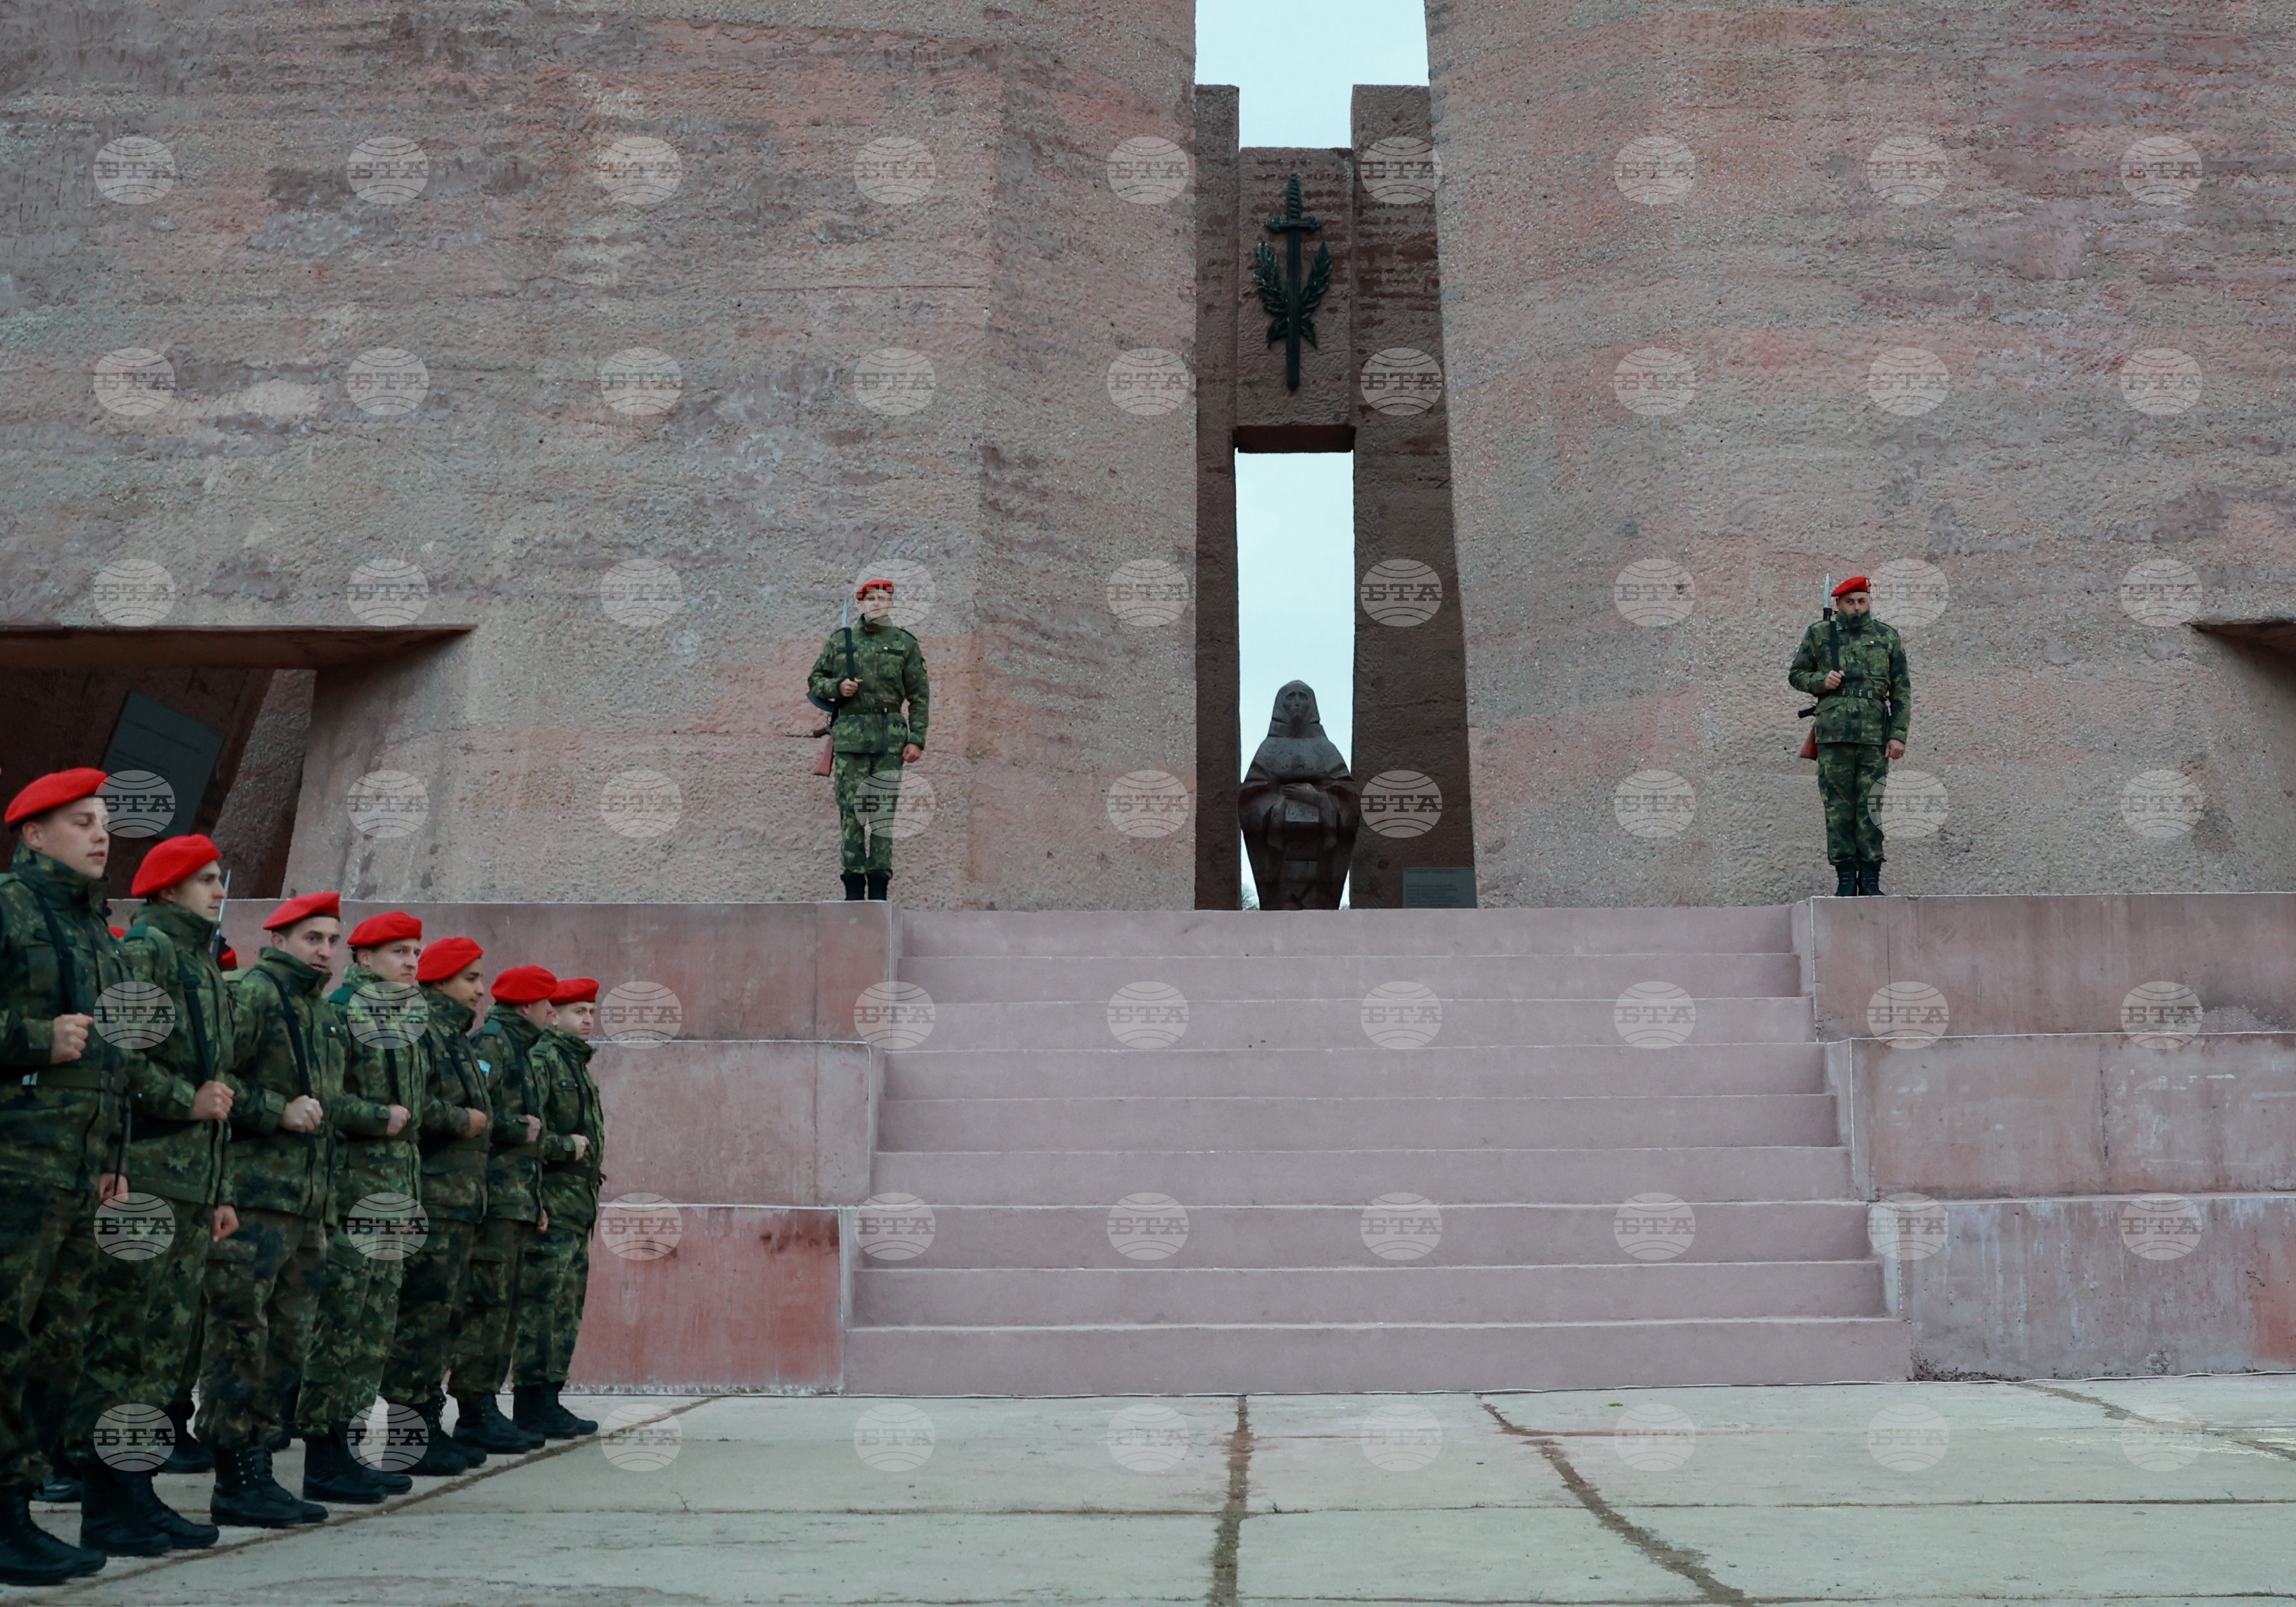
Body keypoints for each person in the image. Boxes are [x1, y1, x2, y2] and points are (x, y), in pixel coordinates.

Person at [63, 834, 240, 1556]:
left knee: (162, 1357)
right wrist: (183, 1101)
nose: (218, 891)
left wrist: (220, 1187)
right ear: (168, 891)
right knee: (123, 1349)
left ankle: (136, 1494)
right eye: (203, 881)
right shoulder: (149, 954)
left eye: (218, 880)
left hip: (191, 1186)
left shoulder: (197, 960)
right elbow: (116, 1058)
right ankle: (106, 1506)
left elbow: (216, 1091)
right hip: (148, 1178)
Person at [0, 770, 134, 1584]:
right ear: (33, 835)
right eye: (81, 821)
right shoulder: (8, 907)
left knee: (53, 1351)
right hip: (12, 1169)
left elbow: (110, 1063)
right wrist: (29, 1037)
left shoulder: (94, 931)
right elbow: (53, 1041)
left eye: (106, 823)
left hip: (75, 1175)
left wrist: (113, 1156)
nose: (101, 835)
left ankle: (17, 1509)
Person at [196, 890, 346, 1528]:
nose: (325, 951)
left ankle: (257, 1461)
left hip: (304, 1203)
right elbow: (216, 1082)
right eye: (313, 938)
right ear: (279, 939)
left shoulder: (317, 1013)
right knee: (240, 1335)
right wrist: (274, 1110)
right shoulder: (255, 995)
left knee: (285, 1339)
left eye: (333, 939)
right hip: (254, 1198)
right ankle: (234, 1473)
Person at [297, 911, 430, 1505]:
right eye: (398, 951)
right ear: (364, 958)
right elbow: (325, 1097)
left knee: (374, 1325)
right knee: (341, 1322)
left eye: (415, 952)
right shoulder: (342, 1013)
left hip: (394, 1194)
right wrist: (378, 1116)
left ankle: (350, 1445)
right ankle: (322, 1456)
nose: (410, 962)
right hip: (352, 1191)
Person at [377, 936, 492, 1476]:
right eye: (471, 979)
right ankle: (408, 1435)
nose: (480, 989)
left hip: (457, 1200)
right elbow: (413, 1103)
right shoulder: (423, 1028)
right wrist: (460, 1120)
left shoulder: (453, 1034)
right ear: (443, 980)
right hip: (433, 1196)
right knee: (421, 1318)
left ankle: (426, 1426)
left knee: (441, 1317)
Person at [446, 964, 555, 1456]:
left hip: (513, 1198)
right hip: (491, 1198)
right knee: (485, 1305)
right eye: (548, 1004)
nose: (552, 1014)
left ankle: (485, 1402)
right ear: (529, 1005)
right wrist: (518, 1127)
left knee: (502, 1306)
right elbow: (480, 1115)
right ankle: (474, 1407)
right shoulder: (492, 1043)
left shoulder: (520, 1047)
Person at [512, 977, 602, 1441]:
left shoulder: (576, 1062)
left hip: (577, 1207)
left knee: (566, 1308)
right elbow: (526, 1134)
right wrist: (564, 1150)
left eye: (591, 1010)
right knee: (540, 1308)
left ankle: (550, 1397)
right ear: (554, 1015)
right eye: (577, 1011)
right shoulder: (544, 1059)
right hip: (552, 1204)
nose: (587, 1019)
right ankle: (531, 1403)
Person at [1789, 576, 1913, 897]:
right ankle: (1845, 879)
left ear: (1869, 601)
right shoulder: (1820, 633)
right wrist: (1821, 680)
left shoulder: (1887, 637)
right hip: (1833, 735)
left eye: (1862, 601)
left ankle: (1870, 880)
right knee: (1837, 809)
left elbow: (1901, 690)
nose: (1856, 607)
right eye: (1849, 602)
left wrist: (1897, 735)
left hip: (1874, 736)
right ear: (1838, 604)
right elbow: (1797, 674)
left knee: (1870, 807)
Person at [808, 577, 929, 901]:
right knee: (851, 813)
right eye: (870, 598)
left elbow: (919, 695)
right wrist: (839, 688)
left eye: (882, 598)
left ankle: (878, 890)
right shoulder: (841, 641)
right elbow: (816, 680)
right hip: (850, 738)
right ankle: (852, 889)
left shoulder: (905, 643)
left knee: (882, 815)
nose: (876, 603)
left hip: (889, 740)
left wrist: (917, 738)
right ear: (860, 605)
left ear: (891, 604)